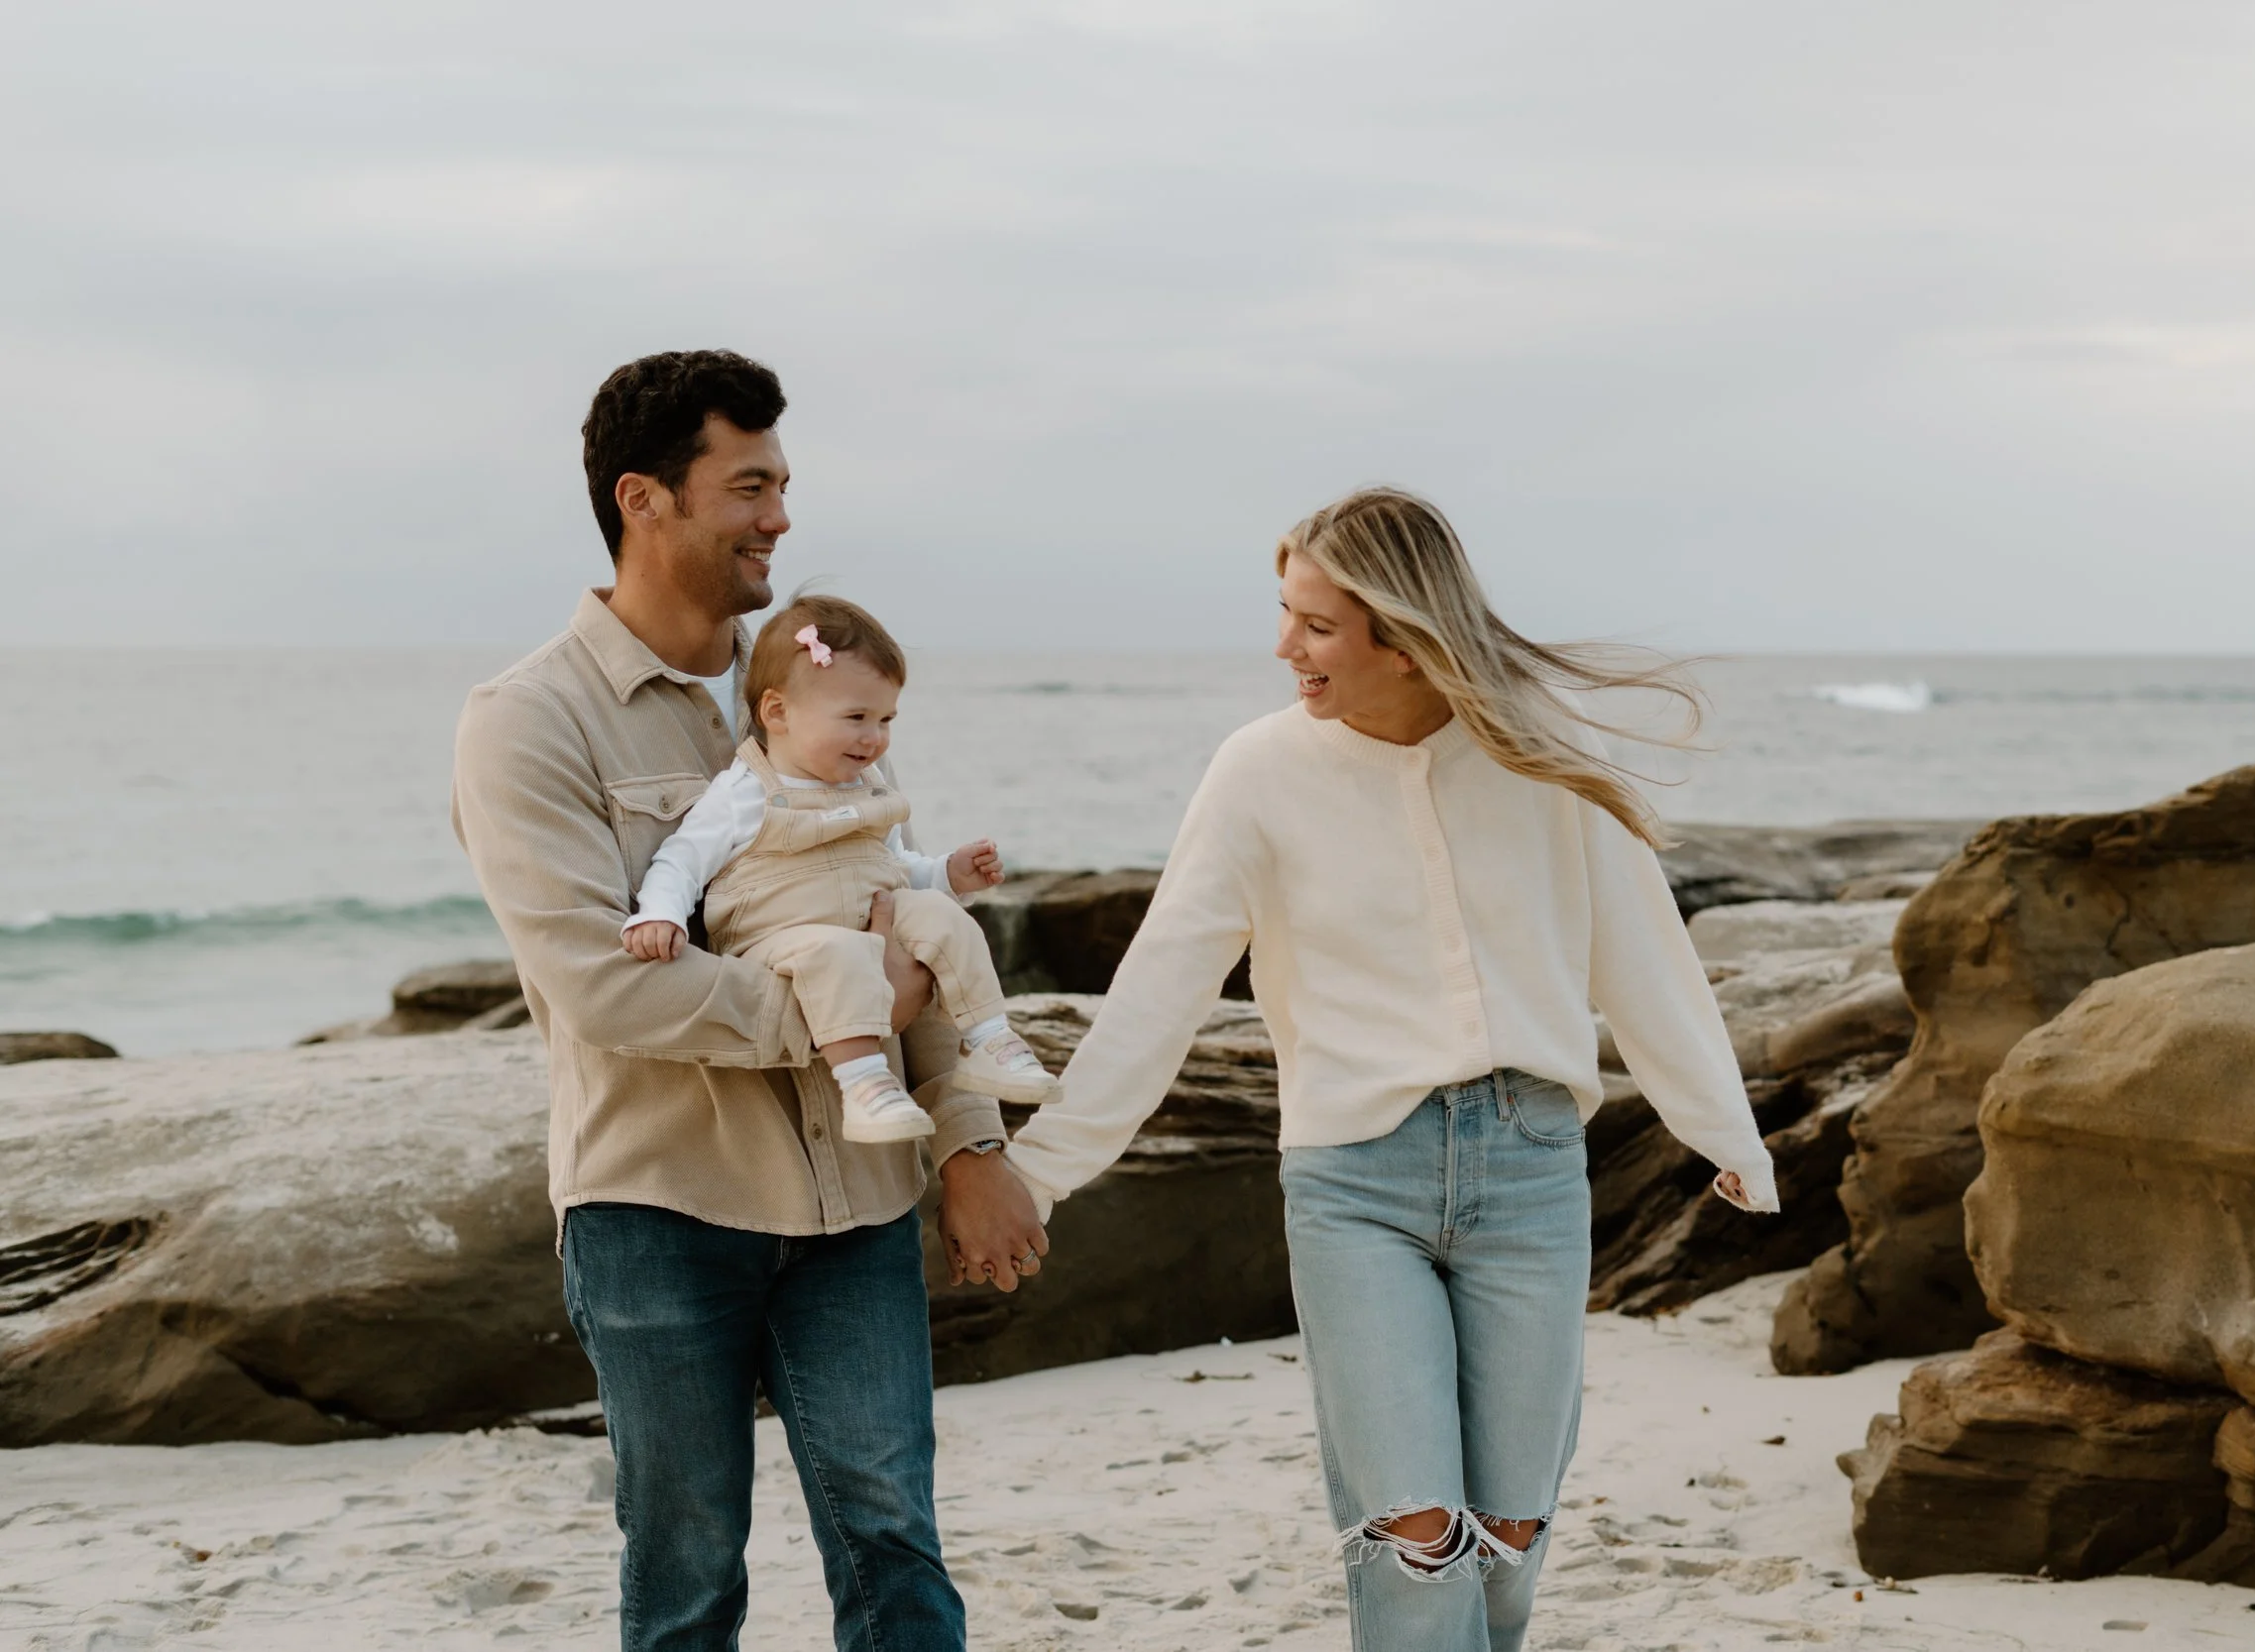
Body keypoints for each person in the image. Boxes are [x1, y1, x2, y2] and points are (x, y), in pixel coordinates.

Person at [1001, 488, 1776, 1652]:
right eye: (1285, 615)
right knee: (1419, 1543)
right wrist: (1042, 1167)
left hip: (1528, 1172)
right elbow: (1161, 983)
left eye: (1313, 625)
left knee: (1506, 1543)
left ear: (1402, 637)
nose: (1283, 647)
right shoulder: (1256, 771)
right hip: (1354, 1183)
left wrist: (1728, 1135)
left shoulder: (1543, 754)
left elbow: (1645, 956)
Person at [450, 349, 1049, 1652]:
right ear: (643, 498)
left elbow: (891, 912)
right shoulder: (527, 722)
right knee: (685, 1573)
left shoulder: (811, 675)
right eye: (750, 485)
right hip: (658, 1209)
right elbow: (605, 984)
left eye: (784, 484)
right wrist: (856, 1015)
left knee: (895, 1540)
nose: (781, 515)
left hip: (857, 1206)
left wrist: (971, 1135)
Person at [621, 592, 1062, 1143]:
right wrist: (657, 913)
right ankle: (864, 1084)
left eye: (885, 719)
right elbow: (681, 859)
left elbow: (896, 868)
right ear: (777, 713)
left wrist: (949, 874)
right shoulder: (745, 791)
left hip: (868, 927)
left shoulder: (869, 787)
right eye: (856, 717)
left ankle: (990, 1038)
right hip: (780, 940)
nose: (874, 738)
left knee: (942, 917)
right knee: (840, 951)